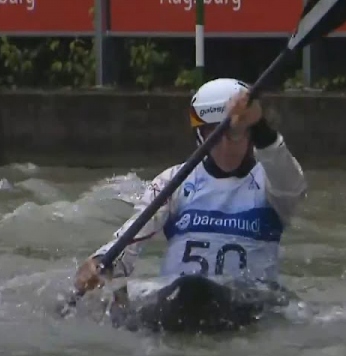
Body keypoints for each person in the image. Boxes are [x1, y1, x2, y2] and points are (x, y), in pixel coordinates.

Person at [72, 78, 307, 333]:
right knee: (180, 289)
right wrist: (100, 262)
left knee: (201, 290)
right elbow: (131, 239)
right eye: (214, 134)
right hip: (178, 300)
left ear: (251, 137)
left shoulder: (273, 183)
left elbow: (287, 177)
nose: (226, 146)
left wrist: (259, 125)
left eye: (235, 135)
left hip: (247, 303)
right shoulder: (175, 180)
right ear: (199, 135)